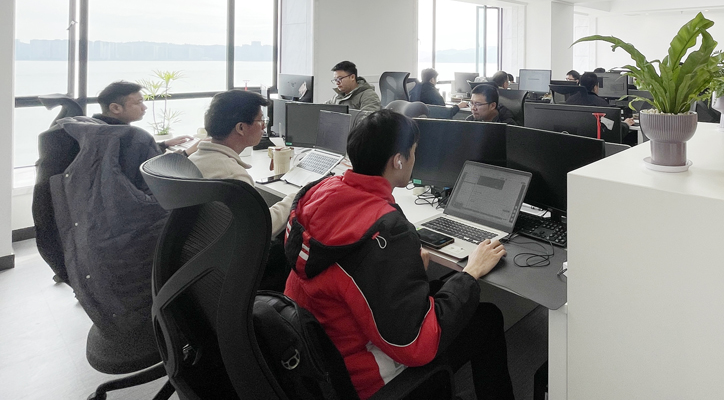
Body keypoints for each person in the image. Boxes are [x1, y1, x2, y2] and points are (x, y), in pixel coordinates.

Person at [284, 111, 514, 400]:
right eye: (414, 152)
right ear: (398, 160)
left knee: (440, 288)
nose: (415, 159)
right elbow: (416, 346)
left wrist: (403, 269)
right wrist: (470, 273)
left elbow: (353, 273)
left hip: (323, 352)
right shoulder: (386, 229)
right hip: (365, 375)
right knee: (487, 318)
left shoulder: (318, 192)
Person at [187, 90, 296, 237]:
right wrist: (295, 198)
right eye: (260, 120)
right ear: (241, 128)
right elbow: (262, 228)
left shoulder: (193, 159)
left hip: (207, 243)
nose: (264, 127)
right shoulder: (233, 176)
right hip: (236, 247)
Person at [97, 80, 194, 151]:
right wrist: (188, 152)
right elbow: (158, 167)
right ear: (115, 108)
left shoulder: (95, 130)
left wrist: (164, 144)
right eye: (138, 103)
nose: (144, 107)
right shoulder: (131, 137)